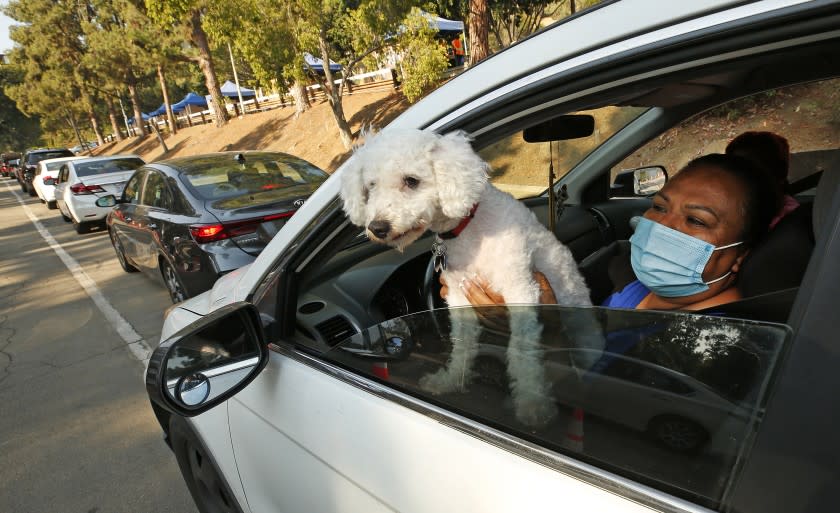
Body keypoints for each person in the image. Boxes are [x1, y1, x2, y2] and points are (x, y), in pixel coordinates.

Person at [445, 153, 778, 311]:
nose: (662, 225)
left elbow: (605, 412)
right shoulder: (641, 288)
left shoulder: (722, 334)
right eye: (660, 207)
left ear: (741, 254)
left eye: (696, 221)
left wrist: (534, 334)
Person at [726, 131, 798, 228]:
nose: (736, 179)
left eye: (751, 172)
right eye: (732, 170)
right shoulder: (746, 209)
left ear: (779, 174)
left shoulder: (784, 225)